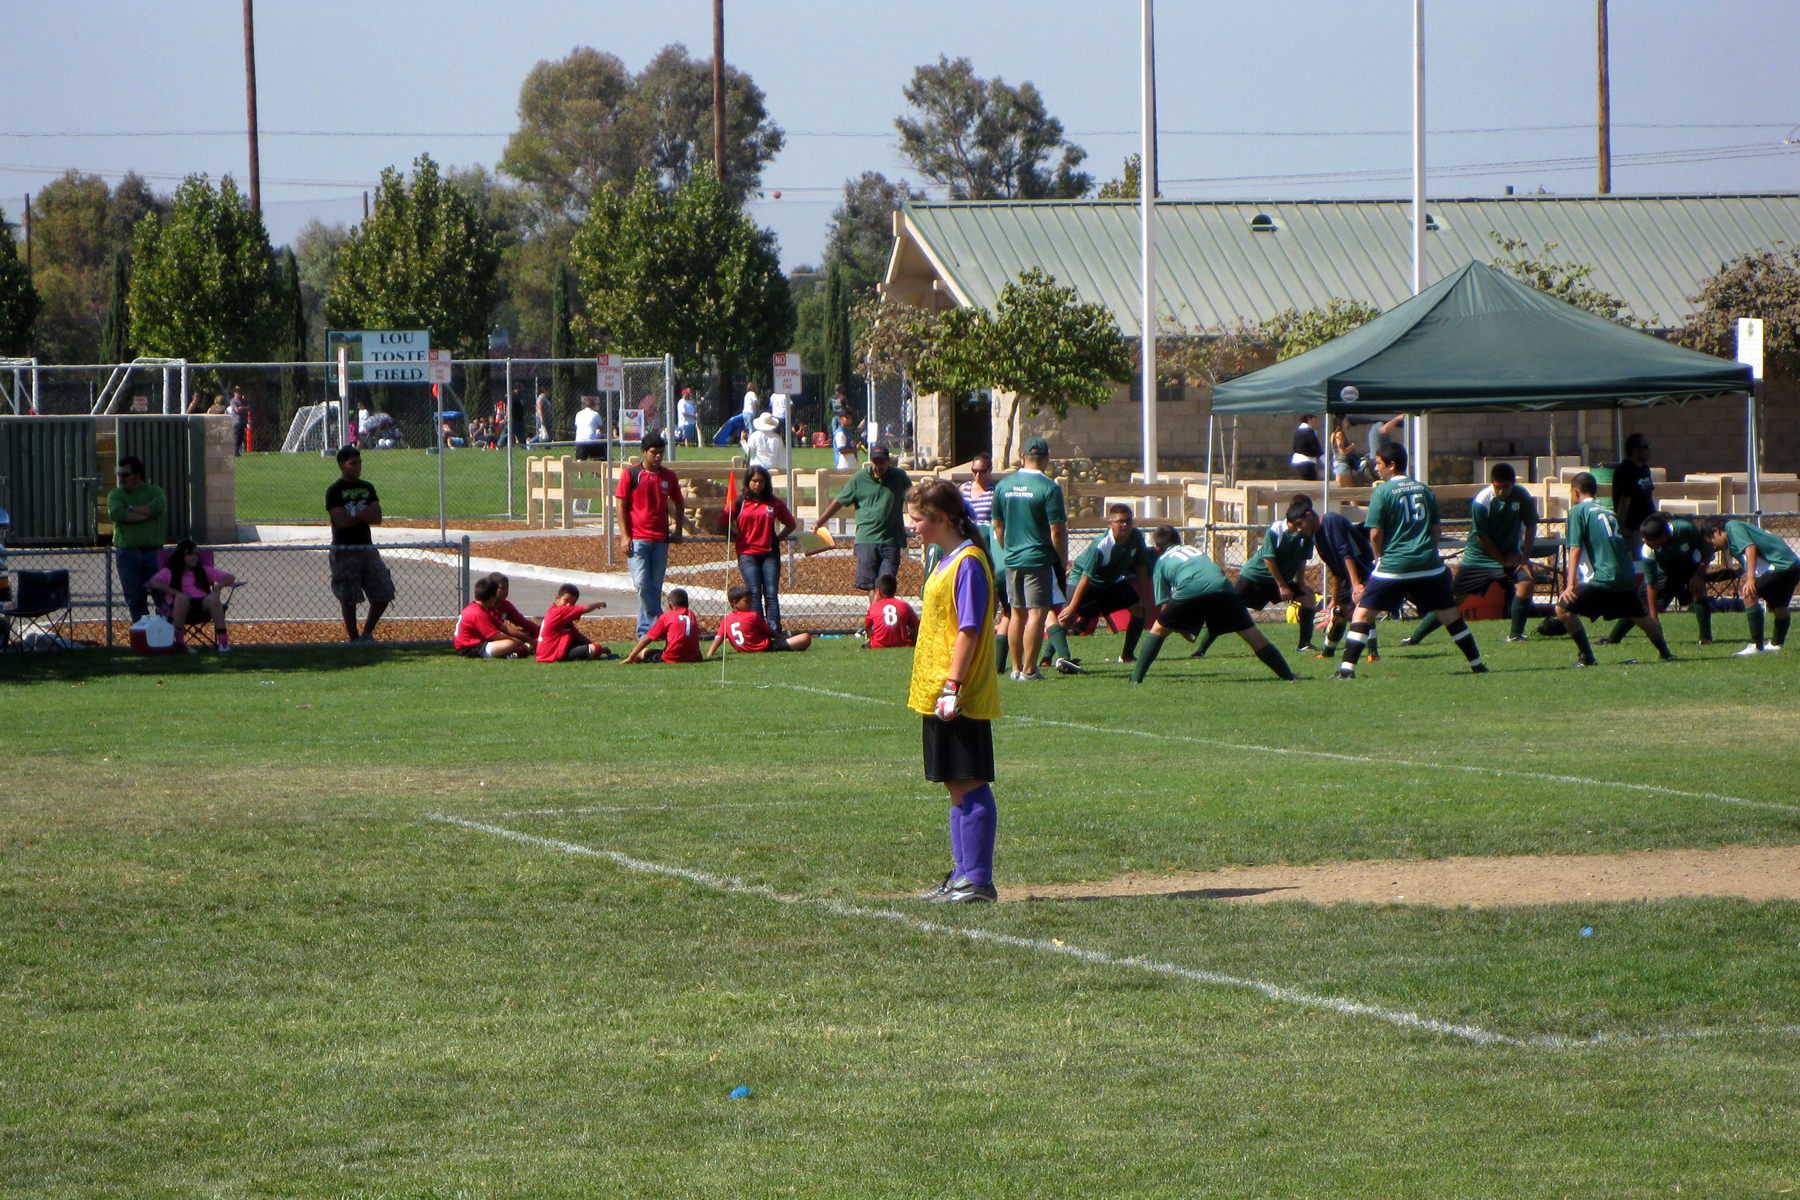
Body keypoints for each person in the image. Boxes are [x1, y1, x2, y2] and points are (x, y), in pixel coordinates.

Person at [906, 477, 1002, 903]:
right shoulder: (944, 559)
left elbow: (969, 629)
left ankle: (978, 880)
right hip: (937, 691)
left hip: (957, 694)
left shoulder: (968, 562)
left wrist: (953, 686)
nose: (912, 526)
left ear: (942, 518)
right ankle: (962, 874)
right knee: (955, 784)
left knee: (971, 782)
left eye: (917, 518)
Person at [1335, 442, 1488, 679]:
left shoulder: (1383, 492)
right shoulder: (1424, 490)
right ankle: (1477, 665)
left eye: (1378, 463)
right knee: (1450, 615)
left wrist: (1378, 556)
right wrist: (1427, 551)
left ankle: (1346, 671)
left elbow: (1374, 533)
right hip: (1429, 565)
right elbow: (1436, 530)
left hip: (1395, 565)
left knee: (1361, 615)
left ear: (1391, 465)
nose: (1375, 468)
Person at [1401, 462, 1539, 647]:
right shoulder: (1482, 500)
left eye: (1506, 487)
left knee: (1526, 584)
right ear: (1492, 483)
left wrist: (1524, 558)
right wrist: (1501, 561)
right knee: (1451, 602)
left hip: (1510, 557)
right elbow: (1482, 536)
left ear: (1513, 483)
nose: (1501, 491)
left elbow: (1531, 526)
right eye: (1498, 487)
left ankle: (1516, 635)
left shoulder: (1522, 496)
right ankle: (1414, 639)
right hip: (1478, 558)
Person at [1132, 527, 1294, 683]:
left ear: (1157, 547)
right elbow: (1215, 572)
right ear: (1179, 540)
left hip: (1189, 587)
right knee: (1253, 635)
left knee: (1158, 630)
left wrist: (1182, 629)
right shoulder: (1194, 550)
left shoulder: (1160, 562)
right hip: (1222, 586)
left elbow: (1164, 605)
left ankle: (1136, 679)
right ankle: (1288, 676)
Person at [1554, 473, 1674, 665]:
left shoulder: (1578, 511)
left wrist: (1569, 585)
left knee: (1563, 609)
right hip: (1626, 575)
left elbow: (1574, 548)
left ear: (1575, 491)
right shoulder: (1609, 511)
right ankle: (1666, 654)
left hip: (1604, 576)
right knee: (1640, 616)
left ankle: (1587, 657)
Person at [991, 437, 1078, 679]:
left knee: (1016, 612)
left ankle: (1015, 667)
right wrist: (1061, 559)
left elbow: (997, 524)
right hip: (1038, 559)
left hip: (1012, 559)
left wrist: (1007, 548)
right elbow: (1057, 529)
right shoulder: (1049, 487)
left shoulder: (1003, 485)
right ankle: (1029, 670)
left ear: (1023, 456)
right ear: (1046, 458)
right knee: (1037, 614)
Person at [1197, 495, 1319, 658]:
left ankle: (1304, 644)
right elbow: (1269, 559)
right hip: (1255, 577)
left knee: (1308, 598)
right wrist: (1282, 586)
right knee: (1228, 610)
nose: (1300, 527)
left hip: (1279, 581)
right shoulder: (1277, 528)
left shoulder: (1308, 532)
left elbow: (1302, 558)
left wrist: (1301, 582)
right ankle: (1200, 650)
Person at [616, 433, 692, 638]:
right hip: (637, 538)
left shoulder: (668, 476)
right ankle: (661, 622)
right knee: (642, 584)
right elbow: (620, 504)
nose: (658, 456)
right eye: (653, 452)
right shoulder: (631, 474)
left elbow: (679, 502)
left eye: (661, 452)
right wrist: (624, 536)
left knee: (654, 588)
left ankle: (645, 632)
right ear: (644, 452)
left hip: (660, 538)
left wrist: (678, 530)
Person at [814, 444, 911, 603]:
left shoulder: (899, 477)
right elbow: (838, 502)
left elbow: (912, 498)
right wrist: (820, 522)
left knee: (885, 585)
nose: (878, 466)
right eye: (875, 462)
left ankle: (877, 615)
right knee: (871, 586)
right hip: (866, 540)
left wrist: (915, 518)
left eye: (882, 462)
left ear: (888, 461)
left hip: (891, 539)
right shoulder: (859, 479)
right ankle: (875, 616)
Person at [1058, 503, 1153, 663]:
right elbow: (1086, 577)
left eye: (1128, 521)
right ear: (1110, 523)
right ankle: (1047, 659)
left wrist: (1143, 598)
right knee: (1066, 618)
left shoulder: (1136, 536)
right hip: (1084, 579)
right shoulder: (1101, 545)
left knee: (1139, 610)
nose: (1125, 525)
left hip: (1111, 579)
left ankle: (1127, 656)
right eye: (1120, 521)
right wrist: (1072, 607)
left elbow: (1141, 565)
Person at [325, 446, 394, 644]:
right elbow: (341, 521)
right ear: (341, 465)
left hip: (367, 547)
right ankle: (354, 639)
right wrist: (364, 514)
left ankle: (367, 634)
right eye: (352, 463)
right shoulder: (335, 491)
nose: (357, 467)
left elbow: (377, 517)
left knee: (384, 591)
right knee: (349, 597)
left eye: (359, 463)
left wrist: (354, 513)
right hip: (344, 549)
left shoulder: (367, 488)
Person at [1704, 515, 1800, 655]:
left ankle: (1756, 646)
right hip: (1793, 566)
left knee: (1749, 594)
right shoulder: (1733, 542)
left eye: (1710, 540)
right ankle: (1776, 644)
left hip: (1780, 566)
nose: (1713, 545)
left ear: (1716, 531)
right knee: (1779, 606)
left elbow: (1750, 547)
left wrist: (1750, 579)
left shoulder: (1732, 526)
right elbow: (1747, 563)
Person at [1631, 513, 1719, 646]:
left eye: (1649, 539)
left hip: (1689, 565)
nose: (1646, 542)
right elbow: (1652, 585)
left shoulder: (1686, 529)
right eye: (1644, 539)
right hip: (1665, 572)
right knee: (1640, 600)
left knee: (1698, 588)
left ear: (1663, 536)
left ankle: (1706, 638)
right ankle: (1614, 638)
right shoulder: (1647, 550)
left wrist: (1698, 576)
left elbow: (1707, 551)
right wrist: (1654, 619)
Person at [959, 451, 1011, 671]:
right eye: (974, 471)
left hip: (990, 546)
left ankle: (992, 646)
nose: (977, 475)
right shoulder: (964, 489)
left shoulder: (996, 491)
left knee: (995, 592)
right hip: (970, 546)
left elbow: (1000, 521)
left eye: (981, 471)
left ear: (990, 471)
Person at [732, 464, 797, 631]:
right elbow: (721, 523)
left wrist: (777, 538)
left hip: (770, 553)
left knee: (771, 593)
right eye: (754, 481)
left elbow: (790, 524)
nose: (757, 484)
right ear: (748, 482)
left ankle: (774, 629)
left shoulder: (774, 502)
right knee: (754, 593)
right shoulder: (739, 502)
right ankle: (758, 628)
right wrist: (736, 537)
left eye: (761, 481)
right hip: (747, 553)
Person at [1313, 508, 1380, 660]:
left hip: (1363, 570)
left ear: (1309, 515)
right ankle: (1327, 652)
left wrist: (1356, 585)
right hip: (1347, 575)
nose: (1299, 529)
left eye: (1299, 524)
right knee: (1340, 613)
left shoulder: (1332, 520)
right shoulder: (1316, 536)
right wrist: (1334, 600)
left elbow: (1346, 551)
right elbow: (1335, 570)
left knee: (1363, 607)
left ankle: (1373, 653)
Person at [148, 539, 236, 652]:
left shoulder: (203, 570)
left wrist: (218, 587)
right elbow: (154, 582)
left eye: (196, 554)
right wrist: (177, 593)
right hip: (180, 606)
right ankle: (179, 642)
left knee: (213, 598)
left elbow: (230, 577)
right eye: (190, 554)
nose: (194, 557)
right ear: (181, 556)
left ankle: (223, 643)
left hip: (202, 605)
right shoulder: (169, 571)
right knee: (181, 599)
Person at [107, 455, 166, 622]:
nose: (121, 478)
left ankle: (164, 633)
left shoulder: (154, 491)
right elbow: (118, 514)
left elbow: (158, 508)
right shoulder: (115, 495)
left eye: (126, 475)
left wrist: (131, 508)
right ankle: (143, 633)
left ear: (138, 475)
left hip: (154, 554)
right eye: (119, 474)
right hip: (128, 555)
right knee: (135, 600)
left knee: (162, 598)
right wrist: (148, 514)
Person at [706, 584, 814, 656]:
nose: (751, 604)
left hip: (743, 650)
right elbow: (770, 632)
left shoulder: (726, 619)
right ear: (735, 603)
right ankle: (791, 643)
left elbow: (719, 638)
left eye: (751, 601)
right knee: (806, 637)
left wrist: (710, 653)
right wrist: (783, 639)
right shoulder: (752, 616)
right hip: (765, 647)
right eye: (747, 601)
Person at [454, 575, 532, 659]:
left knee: (519, 635)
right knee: (511, 644)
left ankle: (510, 653)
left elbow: (502, 626)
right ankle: (522, 651)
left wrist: (525, 637)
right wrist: (518, 642)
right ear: (492, 598)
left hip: (478, 643)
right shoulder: (478, 613)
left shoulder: (479, 608)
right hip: (469, 648)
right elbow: (495, 635)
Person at [535, 584, 613, 662]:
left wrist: (599, 647)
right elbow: (586, 608)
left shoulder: (560, 614)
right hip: (551, 654)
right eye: (566, 600)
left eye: (573, 602)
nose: (569, 605)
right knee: (596, 649)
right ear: (557, 598)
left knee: (589, 645)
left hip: (551, 651)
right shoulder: (558, 612)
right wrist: (599, 603)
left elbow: (578, 636)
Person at [625, 588, 705, 663]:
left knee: (640, 652)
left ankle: (635, 658)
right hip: (694, 657)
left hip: (672, 657)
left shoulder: (666, 617)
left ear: (670, 605)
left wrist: (631, 657)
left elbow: (648, 638)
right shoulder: (691, 614)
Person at [1609, 433, 1656, 551]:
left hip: (1649, 528)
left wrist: (1656, 516)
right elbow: (1624, 502)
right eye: (1646, 447)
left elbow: (1647, 497)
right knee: (1637, 561)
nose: (1649, 451)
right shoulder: (1625, 471)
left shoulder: (1645, 470)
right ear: (1635, 450)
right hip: (1633, 531)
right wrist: (1621, 528)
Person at [864, 574, 920, 648]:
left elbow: (867, 627)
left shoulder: (873, 607)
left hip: (878, 644)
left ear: (878, 591)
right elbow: (917, 626)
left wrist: (870, 638)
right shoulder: (904, 605)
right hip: (903, 643)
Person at [1329, 416, 1360, 486]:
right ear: (1341, 421)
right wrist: (1352, 446)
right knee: (1347, 488)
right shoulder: (1339, 434)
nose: (1348, 423)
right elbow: (1342, 452)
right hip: (1342, 464)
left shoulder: (1333, 433)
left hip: (1338, 463)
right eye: (1346, 420)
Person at [1291, 414, 1323, 481]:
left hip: (1297, 462)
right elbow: (1316, 448)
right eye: (1314, 419)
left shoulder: (1298, 431)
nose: (1315, 421)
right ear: (1309, 419)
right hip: (1306, 462)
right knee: (1311, 483)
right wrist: (1327, 462)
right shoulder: (1309, 431)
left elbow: (1294, 447)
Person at [229, 389, 251, 454]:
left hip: (243, 421)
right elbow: (237, 410)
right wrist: (243, 408)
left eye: (239, 391)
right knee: (237, 436)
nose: (237, 393)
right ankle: (235, 451)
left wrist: (242, 408)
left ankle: (237, 450)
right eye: (236, 392)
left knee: (241, 437)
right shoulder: (233, 401)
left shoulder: (244, 400)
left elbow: (249, 408)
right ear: (234, 393)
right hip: (237, 421)